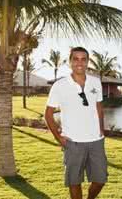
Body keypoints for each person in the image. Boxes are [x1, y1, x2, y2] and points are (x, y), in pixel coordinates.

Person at [44, 47, 108, 199]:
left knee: (100, 179)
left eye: (83, 59)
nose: (80, 62)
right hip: (73, 142)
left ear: (87, 62)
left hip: (96, 141)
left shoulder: (95, 82)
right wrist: (58, 138)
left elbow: (99, 106)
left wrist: (101, 129)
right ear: (70, 62)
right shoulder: (59, 85)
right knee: (74, 182)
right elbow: (48, 114)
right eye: (76, 59)